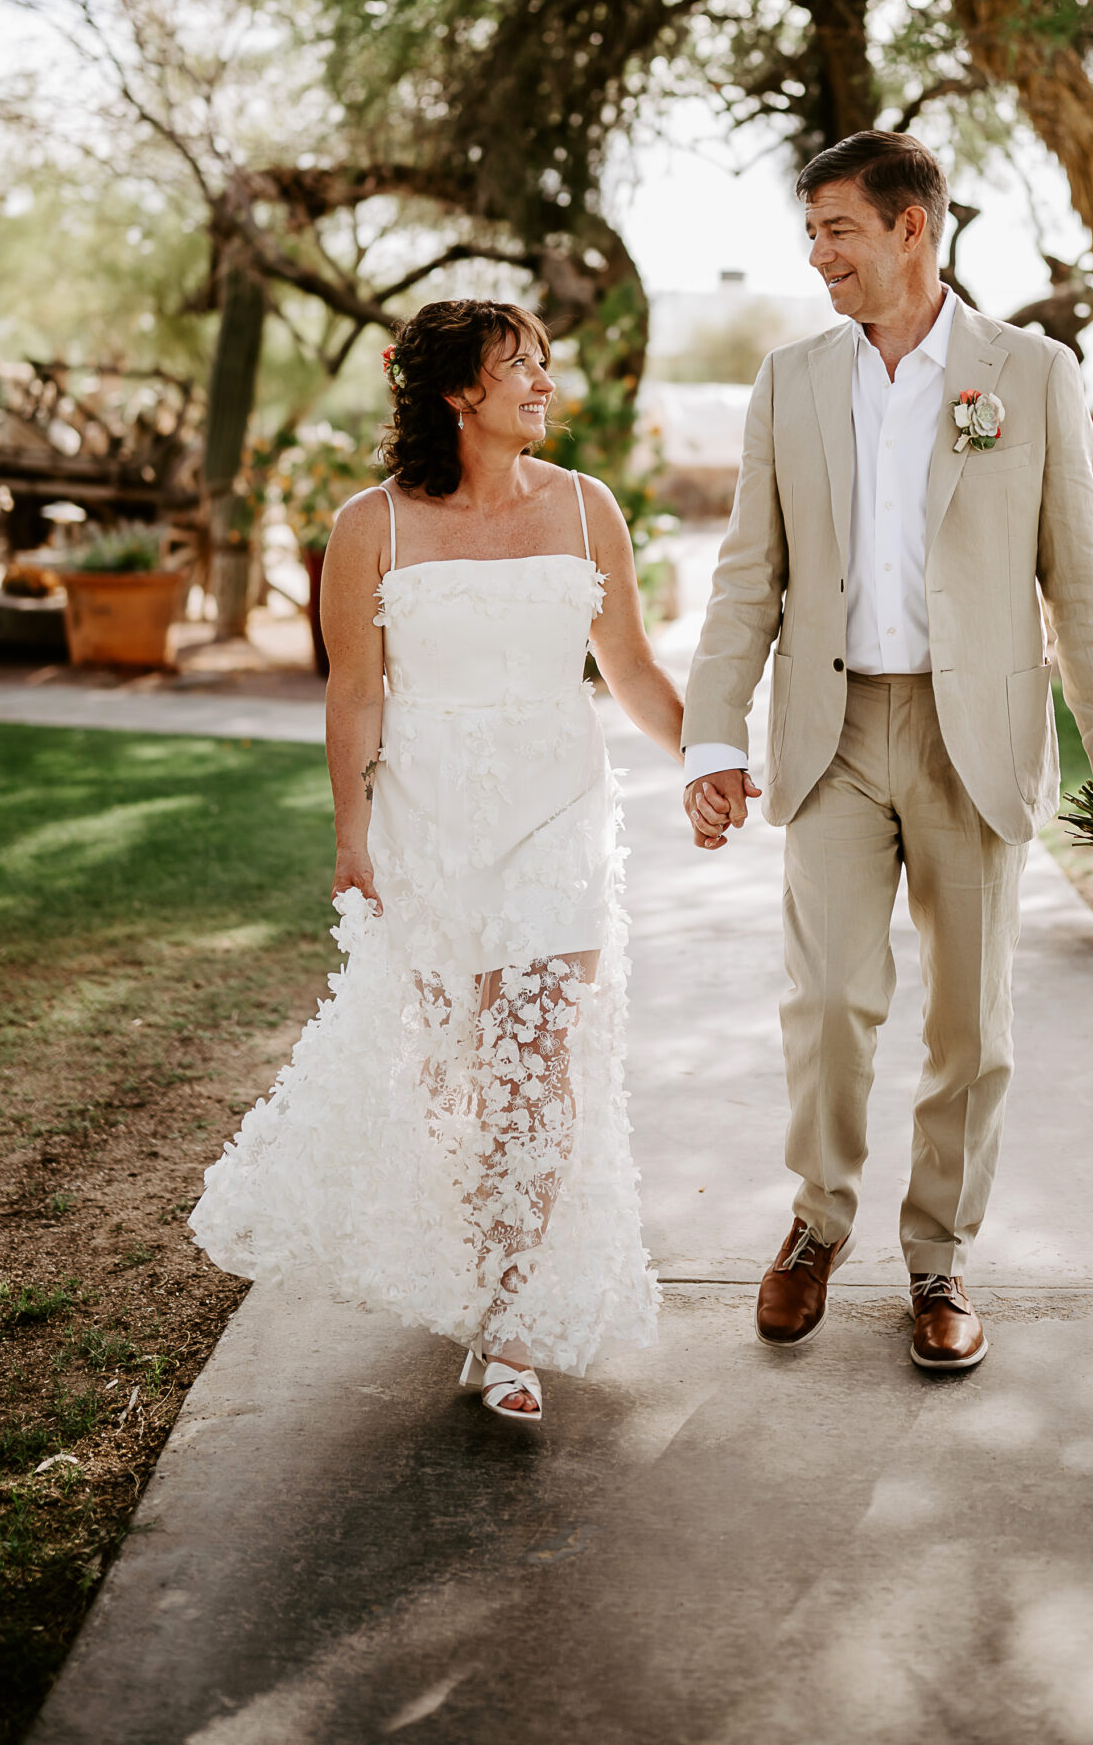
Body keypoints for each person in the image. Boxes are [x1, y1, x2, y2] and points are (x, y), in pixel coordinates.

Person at [682, 133, 1093, 1373]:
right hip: (831, 737)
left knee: (970, 1026)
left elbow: (1084, 590)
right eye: (810, 229)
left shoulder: (1031, 373)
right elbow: (748, 580)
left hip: (975, 743)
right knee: (829, 999)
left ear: (912, 230)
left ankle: (940, 1257)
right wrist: (710, 738)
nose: (817, 251)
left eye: (837, 226)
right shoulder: (790, 381)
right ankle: (816, 1223)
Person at [190, 300, 679, 1428]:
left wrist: (707, 757)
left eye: (545, 364)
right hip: (431, 814)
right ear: (461, 391)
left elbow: (634, 668)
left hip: (560, 807)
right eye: (524, 367)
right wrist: (349, 833)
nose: (546, 384)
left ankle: (509, 1318)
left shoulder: (586, 506)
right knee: (452, 1069)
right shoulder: (375, 524)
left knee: (537, 1058)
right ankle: (471, 1257)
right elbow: (353, 689)